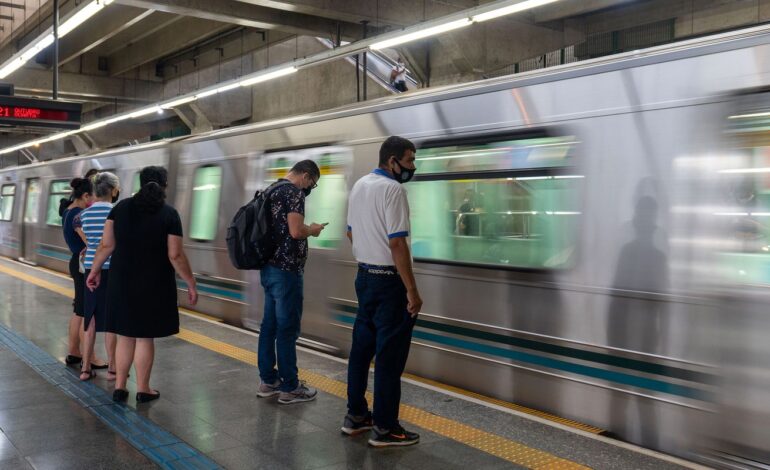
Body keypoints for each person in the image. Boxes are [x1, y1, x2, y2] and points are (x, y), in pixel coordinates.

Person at [87, 166, 198, 403]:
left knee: (126, 334)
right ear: (165, 185)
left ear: (140, 183)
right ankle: (144, 388)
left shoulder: (119, 209)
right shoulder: (169, 214)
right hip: (154, 283)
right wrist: (190, 282)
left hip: (121, 280)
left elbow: (107, 246)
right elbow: (175, 255)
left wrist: (94, 271)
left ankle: (119, 386)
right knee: (145, 337)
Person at [343, 136, 423, 447]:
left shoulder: (360, 185)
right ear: (392, 161)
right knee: (389, 358)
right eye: (409, 160)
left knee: (361, 351)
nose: (412, 167)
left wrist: (367, 256)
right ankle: (386, 428)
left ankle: (356, 416)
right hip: (390, 283)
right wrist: (411, 290)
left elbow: (350, 232)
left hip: (364, 277)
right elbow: (397, 243)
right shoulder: (393, 190)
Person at [256, 160, 325, 404]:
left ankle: (268, 381)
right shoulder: (294, 193)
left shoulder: (271, 189)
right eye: (312, 184)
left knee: (269, 327)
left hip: (269, 268)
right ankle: (290, 387)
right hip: (286, 272)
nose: (310, 189)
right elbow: (296, 231)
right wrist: (313, 229)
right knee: (287, 329)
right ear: (305, 176)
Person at [61, 176, 108, 369]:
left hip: (76, 261)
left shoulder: (67, 212)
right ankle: (91, 358)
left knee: (79, 310)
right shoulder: (79, 214)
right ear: (86, 195)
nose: (94, 200)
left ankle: (74, 351)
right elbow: (91, 242)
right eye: (93, 196)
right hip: (83, 264)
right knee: (87, 312)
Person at [77, 172, 120, 381]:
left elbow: (92, 242)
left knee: (90, 319)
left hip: (91, 269)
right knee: (112, 319)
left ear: (94, 192)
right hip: (112, 268)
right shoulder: (117, 212)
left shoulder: (85, 214)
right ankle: (113, 369)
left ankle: (85, 368)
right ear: (113, 190)